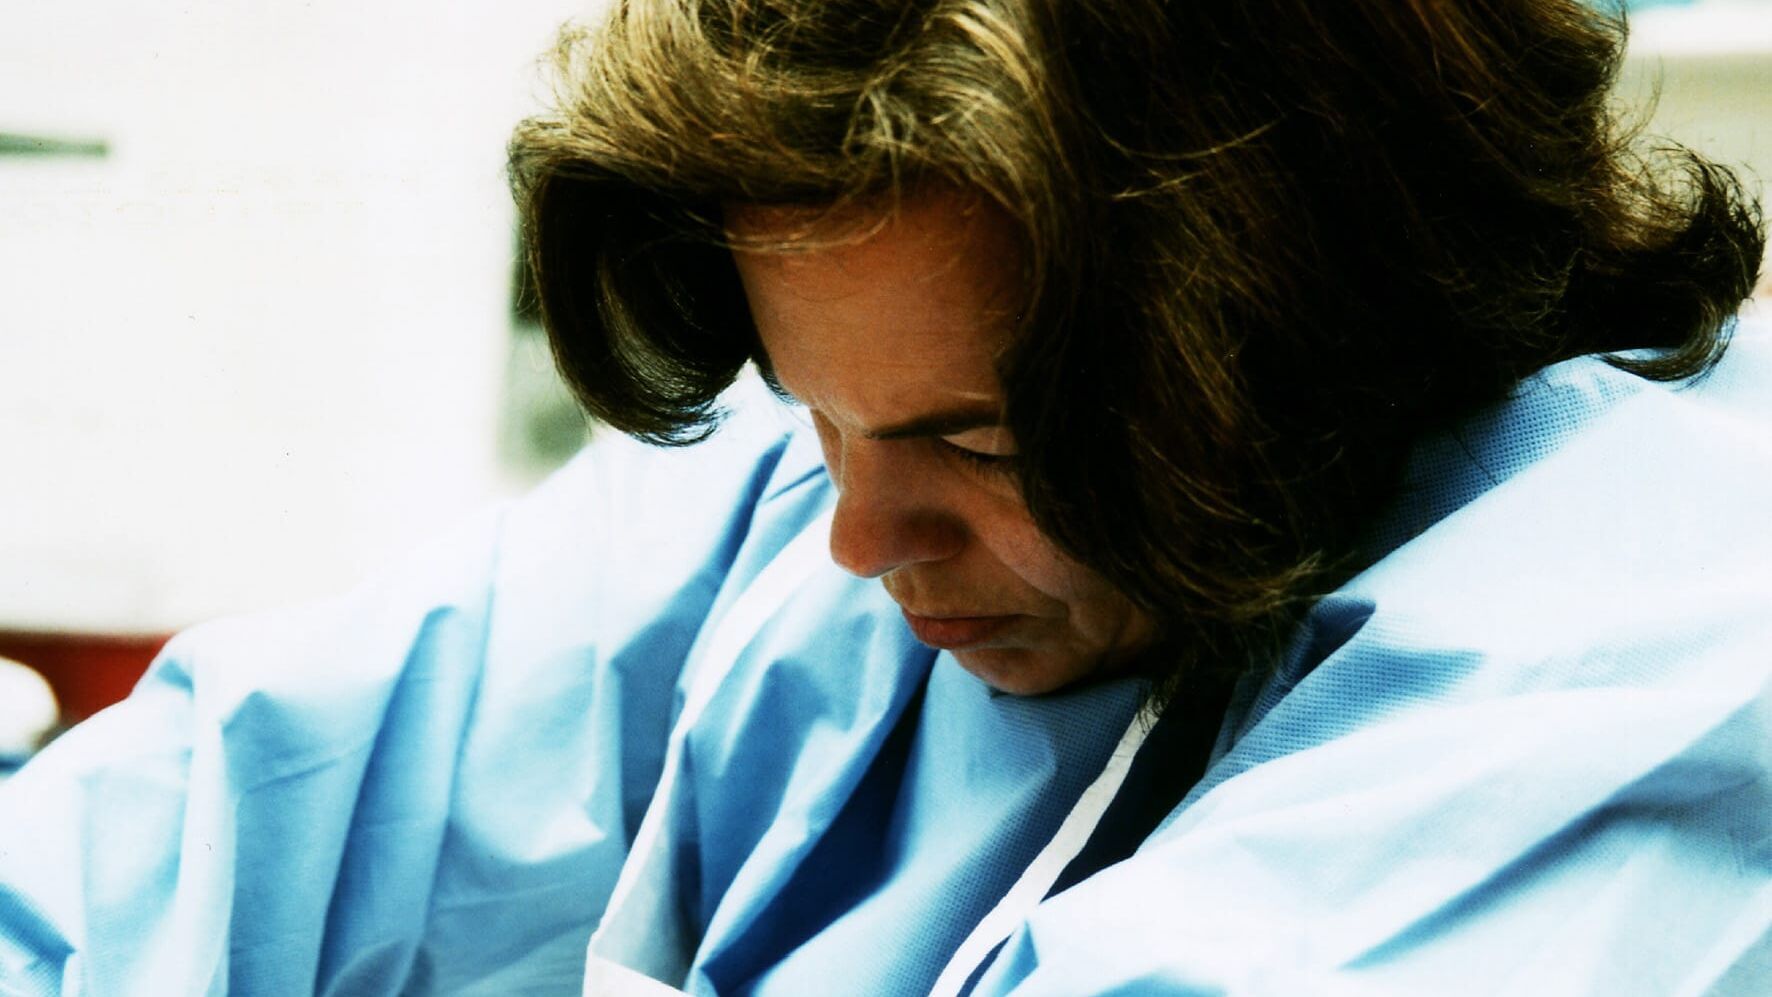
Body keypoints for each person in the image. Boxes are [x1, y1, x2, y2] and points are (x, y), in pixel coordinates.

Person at [3, 0, 1768, 993]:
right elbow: (207, 821)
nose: (861, 539)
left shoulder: (1646, 665)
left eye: (980, 444)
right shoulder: (825, 475)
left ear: (1320, 314)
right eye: (817, 412)